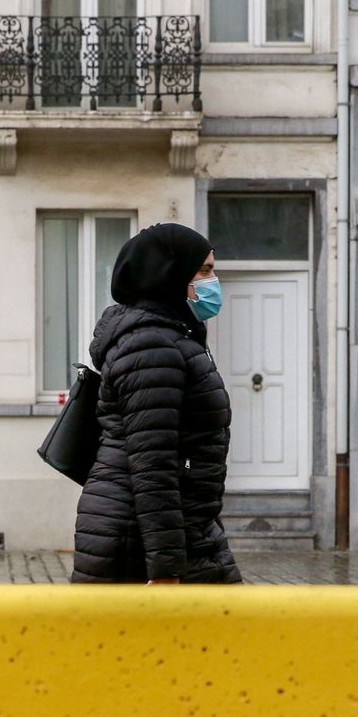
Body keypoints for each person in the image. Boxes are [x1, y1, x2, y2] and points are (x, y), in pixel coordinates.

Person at [72, 223, 242, 585]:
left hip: (177, 528)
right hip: (140, 538)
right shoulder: (152, 346)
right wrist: (165, 569)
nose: (213, 281)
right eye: (205, 270)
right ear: (170, 275)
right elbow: (153, 463)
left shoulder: (171, 337)